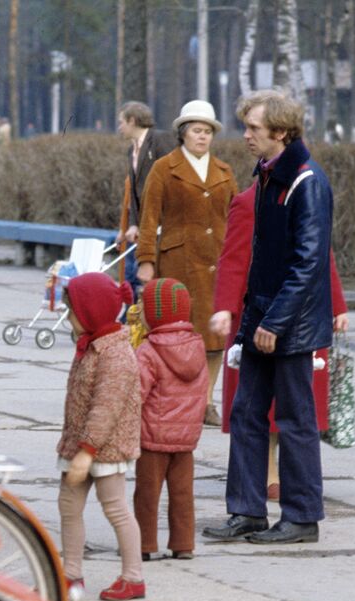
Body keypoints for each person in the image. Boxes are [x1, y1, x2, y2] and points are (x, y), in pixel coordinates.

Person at [203, 89, 334, 546]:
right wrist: (246, 326)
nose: (246, 136)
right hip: (262, 319)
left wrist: (274, 324)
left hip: (291, 328)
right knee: (246, 414)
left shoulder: (306, 181)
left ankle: (301, 517)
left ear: (280, 131)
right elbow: (260, 259)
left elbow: (309, 263)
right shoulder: (266, 175)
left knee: (296, 421)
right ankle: (247, 510)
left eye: (254, 128)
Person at [213, 181, 350, 502]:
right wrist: (225, 308)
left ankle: (292, 481)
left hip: (302, 314)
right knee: (261, 403)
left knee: (295, 403)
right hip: (259, 313)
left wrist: (338, 304)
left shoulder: (307, 196)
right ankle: (267, 474)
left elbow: (321, 255)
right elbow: (233, 259)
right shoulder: (248, 203)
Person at [136, 99, 236, 426]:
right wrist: (146, 261)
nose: (202, 137)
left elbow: (237, 220)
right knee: (178, 335)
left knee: (215, 336)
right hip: (178, 263)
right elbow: (149, 219)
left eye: (207, 131)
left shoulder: (224, 171)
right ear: (183, 133)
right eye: (196, 130)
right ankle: (176, 398)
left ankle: (206, 402)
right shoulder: (164, 168)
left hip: (217, 264)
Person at [56, 272, 145, 601]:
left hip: (103, 448)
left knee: (115, 508)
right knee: (68, 506)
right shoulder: (89, 346)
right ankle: (71, 574)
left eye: (72, 312)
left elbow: (106, 407)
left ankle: (133, 576)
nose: (68, 318)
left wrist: (87, 451)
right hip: (79, 444)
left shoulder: (116, 355)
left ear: (91, 311)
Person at [133, 278, 207, 561]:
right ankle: (183, 543)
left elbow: (137, 392)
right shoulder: (197, 347)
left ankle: (144, 544)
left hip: (153, 438)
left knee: (147, 495)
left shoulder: (148, 351)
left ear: (154, 313)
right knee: (182, 494)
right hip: (186, 439)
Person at [116, 101, 176, 296]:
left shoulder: (159, 140)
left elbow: (171, 179)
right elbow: (134, 193)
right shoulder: (130, 151)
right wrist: (133, 224)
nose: (120, 128)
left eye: (121, 122)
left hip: (163, 225)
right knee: (135, 279)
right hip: (144, 226)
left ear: (132, 121)